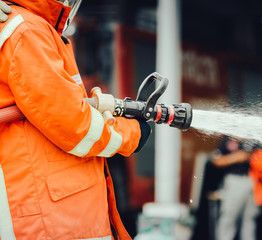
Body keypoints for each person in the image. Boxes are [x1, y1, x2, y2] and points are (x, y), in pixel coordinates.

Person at [0, 0, 150, 239]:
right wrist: (131, 133)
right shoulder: (27, 31)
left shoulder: (22, 26)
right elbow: (73, 123)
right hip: (52, 219)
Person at [212, 136, 260, 240]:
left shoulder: (254, 138)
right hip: (234, 180)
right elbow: (216, 160)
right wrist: (235, 157)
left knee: (250, 219)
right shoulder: (227, 138)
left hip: (253, 181)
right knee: (229, 216)